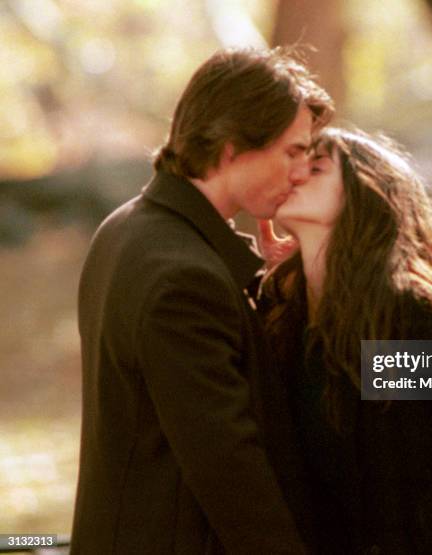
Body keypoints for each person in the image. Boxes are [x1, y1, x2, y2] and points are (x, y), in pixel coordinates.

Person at [71, 47, 333, 554]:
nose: (300, 172)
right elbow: (229, 468)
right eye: (293, 151)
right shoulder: (182, 277)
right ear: (233, 148)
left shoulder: (128, 227)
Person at [262, 128, 432, 554]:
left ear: (364, 197)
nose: (294, 175)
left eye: (315, 168)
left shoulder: (400, 317)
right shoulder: (291, 319)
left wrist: (428, 534)